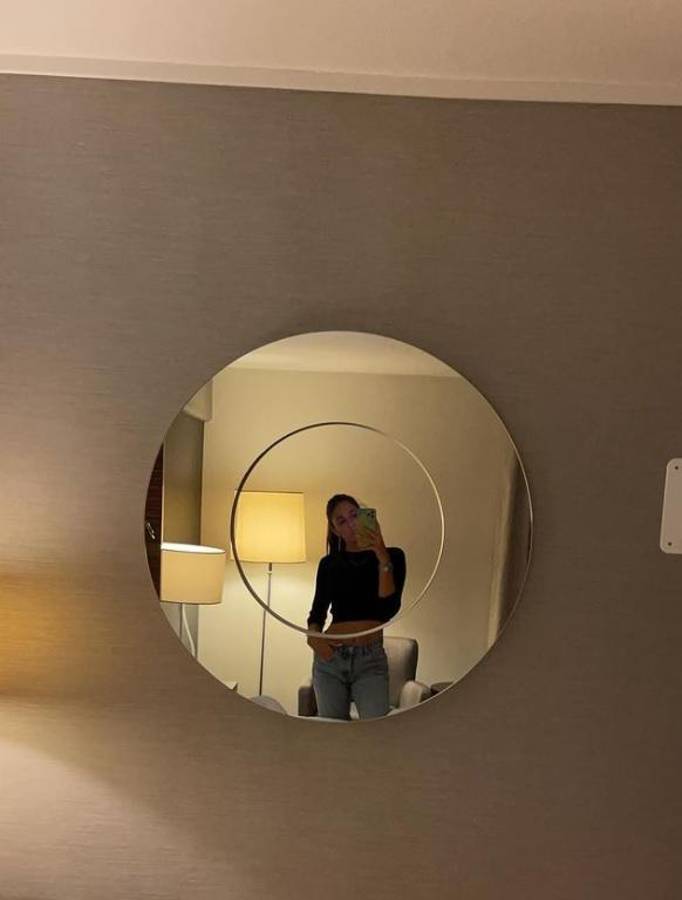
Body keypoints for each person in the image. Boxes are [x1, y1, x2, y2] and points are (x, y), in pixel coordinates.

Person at [306, 494, 406, 720]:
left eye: (354, 515)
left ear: (365, 516)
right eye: (341, 521)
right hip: (330, 659)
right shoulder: (329, 563)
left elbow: (388, 610)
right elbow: (317, 613)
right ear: (335, 530)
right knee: (332, 732)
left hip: (370, 659)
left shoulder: (394, 556)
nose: (350, 524)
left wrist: (381, 555)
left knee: (375, 730)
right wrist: (313, 637)